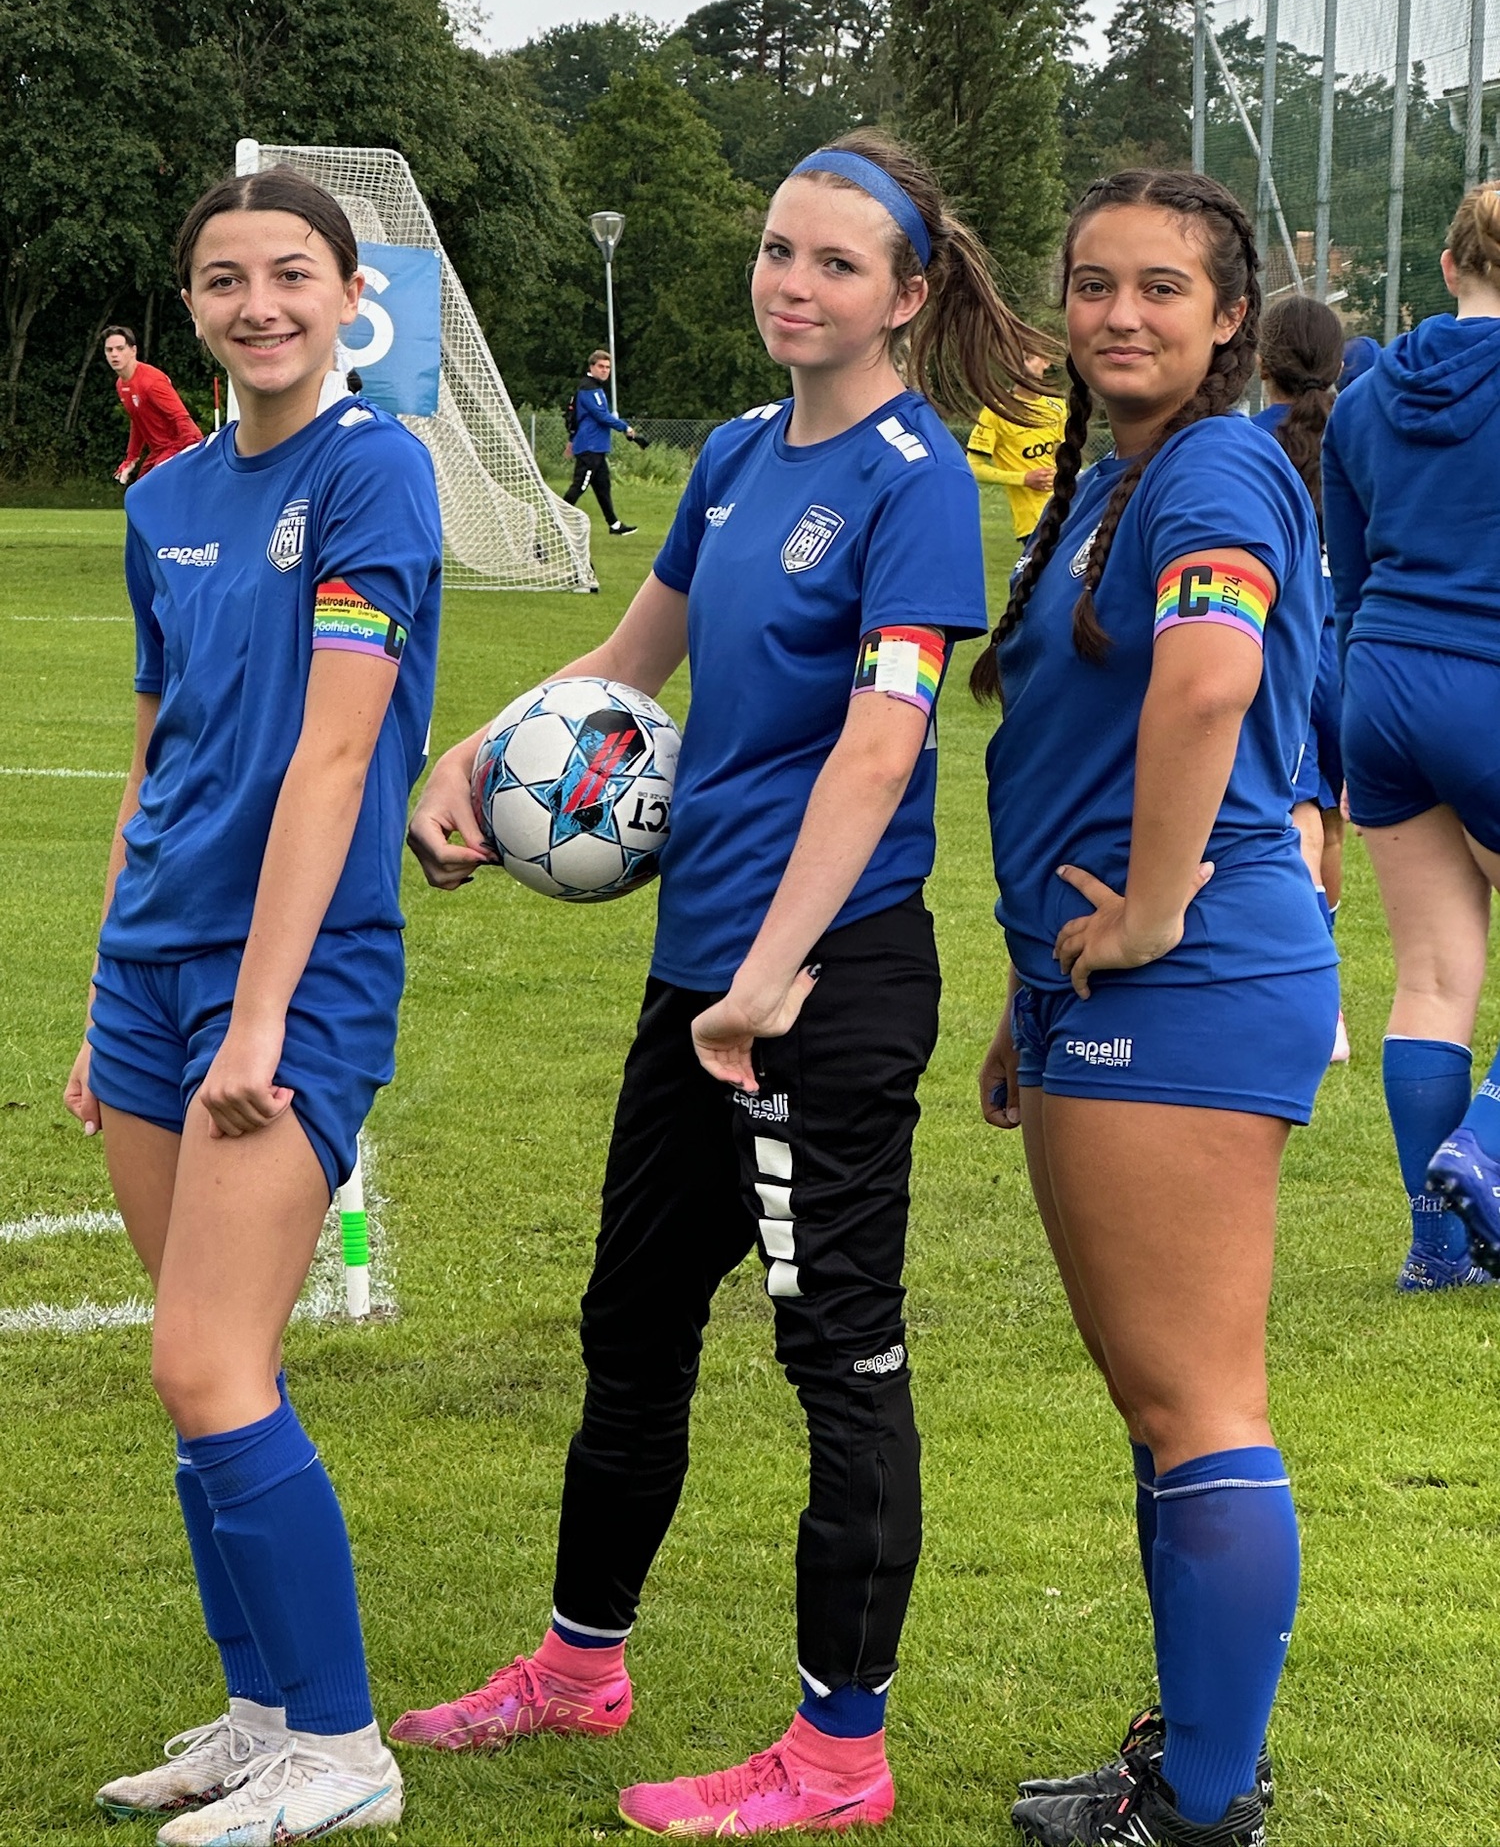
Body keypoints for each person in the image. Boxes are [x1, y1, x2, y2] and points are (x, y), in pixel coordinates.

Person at [396, 129, 1051, 1836]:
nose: (792, 282)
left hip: (818, 982)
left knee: (839, 1353)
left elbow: (880, 746)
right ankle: (578, 1664)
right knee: (630, 1322)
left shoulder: (919, 481)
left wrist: (771, 975)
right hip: (704, 973)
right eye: (778, 250)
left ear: (907, 294)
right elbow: (630, 659)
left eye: (837, 262)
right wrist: (474, 756)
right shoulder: (740, 455)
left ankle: (841, 1754)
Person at [66, 166, 443, 1842]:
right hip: (151, 972)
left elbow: (338, 747)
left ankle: (346, 1752)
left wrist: (263, 1014)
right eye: (226, 279)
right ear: (195, 304)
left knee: (214, 1361)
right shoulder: (167, 500)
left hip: (287, 977)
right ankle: (260, 1717)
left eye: (292, 273)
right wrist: (103, 996)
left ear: (348, 292)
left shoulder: (377, 475)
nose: (259, 303)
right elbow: (159, 758)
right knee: (197, 1367)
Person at [975, 170, 1335, 1847]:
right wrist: (1028, 983)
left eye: (1161, 291)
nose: (1121, 314)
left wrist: (1155, 908)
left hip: (1181, 979)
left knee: (1198, 1405)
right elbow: (1079, 750)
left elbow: (1209, 684)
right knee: (1169, 1404)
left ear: (1227, 322)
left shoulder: (1217, 468)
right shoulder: (1130, 476)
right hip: (1115, 985)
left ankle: (1200, 1810)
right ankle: (1191, 1765)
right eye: (1096, 286)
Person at [1323, 182, 1500, 1292]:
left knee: (1433, 972)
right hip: (1489, 669)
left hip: (1380, 678)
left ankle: (1441, 1251)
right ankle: (1481, 1151)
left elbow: (1346, 569)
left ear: (1447, 266)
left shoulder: (1363, 394)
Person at [1252, 295, 1351, 1066]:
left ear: (1261, 360)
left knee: (1297, 815)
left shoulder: (1239, 446)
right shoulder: (1360, 437)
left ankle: (1315, 988)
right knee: (1331, 814)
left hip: (1279, 647)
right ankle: (1323, 980)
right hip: (1349, 650)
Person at [965, 350, 1067, 537]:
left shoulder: (1057, 405)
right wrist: (1024, 478)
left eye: (1028, 358)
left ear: (1046, 361)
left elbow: (1061, 454)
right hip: (1032, 522)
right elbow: (973, 467)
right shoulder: (996, 411)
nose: (1020, 364)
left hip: (1065, 509)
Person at [104, 325, 204, 483]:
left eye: (120, 348)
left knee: (151, 492)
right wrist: (131, 459)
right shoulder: (121, 385)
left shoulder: (151, 381)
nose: (114, 354)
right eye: (109, 350)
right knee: (139, 494)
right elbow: (137, 421)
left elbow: (181, 417)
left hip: (180, 444)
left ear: (133, 351)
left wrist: (195, 452)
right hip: (159, 451)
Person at [564, 350, 641, 536]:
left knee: (603, 486)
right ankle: (556, 518)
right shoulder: (590, 389)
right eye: (601, 366)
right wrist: (625, 428)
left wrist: (571, 439)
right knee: (580, 485)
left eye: (608, 367)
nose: (605, 370)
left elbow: (576, 418)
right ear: (591, 367)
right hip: (590, 447)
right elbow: (601, 416)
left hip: (596, 447)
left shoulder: (592, 388)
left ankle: (614, 525)